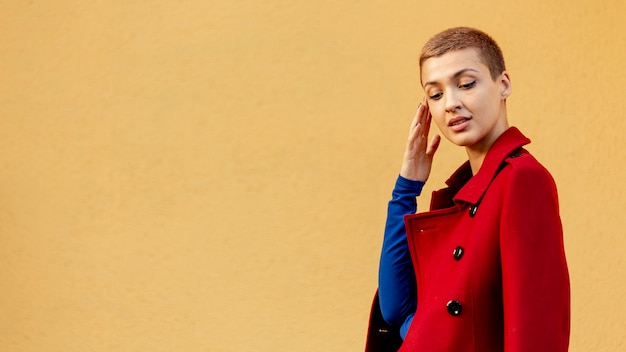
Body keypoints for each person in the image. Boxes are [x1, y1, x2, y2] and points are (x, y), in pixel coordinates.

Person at [365, 27, 570, 351]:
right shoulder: (465, 196)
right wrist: (406, 189)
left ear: (503, 84)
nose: (451, 103)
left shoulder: (522, 180)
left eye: (466, 84)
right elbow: (396, 311)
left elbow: (536, 328)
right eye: (435, 94)